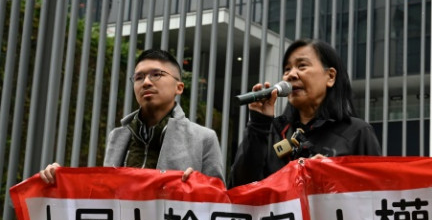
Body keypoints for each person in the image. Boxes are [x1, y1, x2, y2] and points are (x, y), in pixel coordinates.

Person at [40, 49, 225, 183]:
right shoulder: (119, 136)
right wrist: (62, 179)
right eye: (138, 77)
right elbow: (102, 191)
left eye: (156, 75)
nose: (146, 82)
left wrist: (198, 185)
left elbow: (218, 201)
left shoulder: (204, 138)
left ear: (179, 87)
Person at [229, 39, 381, 187]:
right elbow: (239, 189)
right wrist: (258, 123)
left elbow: (376, 193)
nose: (291, 75)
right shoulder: (271, 131)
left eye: (302, 66)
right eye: (287, 69)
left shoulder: (357, 132)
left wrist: (333, 177)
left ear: (330, 76)